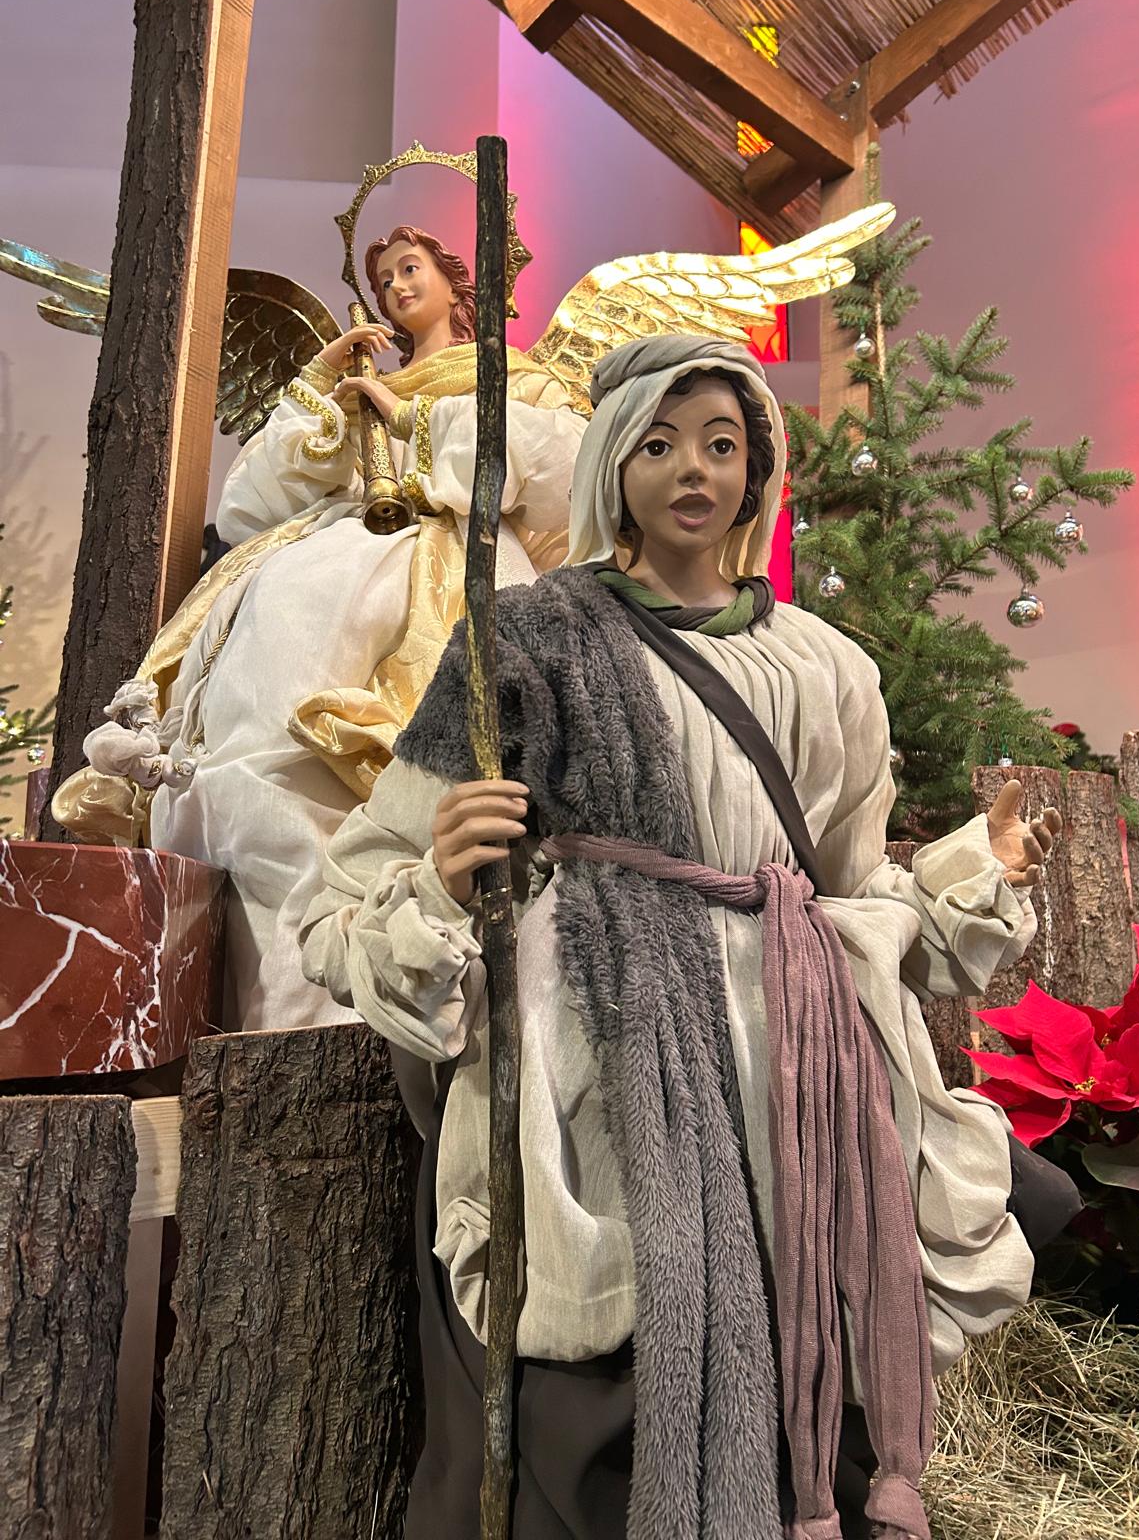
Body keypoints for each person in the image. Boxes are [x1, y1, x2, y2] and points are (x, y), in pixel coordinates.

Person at [300, 334, 1071, 1538]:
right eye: (659, 443)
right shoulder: (525, 640)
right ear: (615, 461)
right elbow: (353, 888)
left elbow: (857, 888)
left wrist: (978, 871)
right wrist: (445, 878)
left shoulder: (826, 667)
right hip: (608, 1051)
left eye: (721, 443)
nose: (693, 470)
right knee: (605, 1368)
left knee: (809, 1331)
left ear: (758, 469)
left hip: (795, 1068)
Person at [57, 226, 587, 1031]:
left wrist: (417, 420)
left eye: (410, 268)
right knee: (231, 758)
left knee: (351, 768)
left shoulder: (515, 377)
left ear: (456, 282)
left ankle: (343, 990)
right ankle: (232, 1002)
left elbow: (574, 475)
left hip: (441, 562)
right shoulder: (359, 380)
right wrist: (320, 393)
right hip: (313, 556)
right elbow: (247, 510)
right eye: (383, 278)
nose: (396, 287)